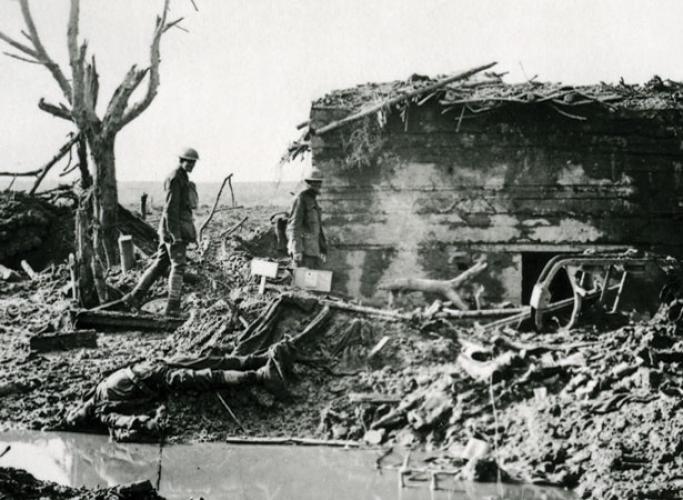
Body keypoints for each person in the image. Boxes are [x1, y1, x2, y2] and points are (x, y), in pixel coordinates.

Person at [64, 344, 291, 442]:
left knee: (209, 360)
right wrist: (144, 422)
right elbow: (127, 421)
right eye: (77, 420)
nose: (78, 415)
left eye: (73, 414)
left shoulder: (94, 390)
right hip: (160, 378)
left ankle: (262, 358)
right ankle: (260, 374)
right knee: (206, 376)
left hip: (155, 364)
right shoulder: (103, 412)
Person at [125, 147, 200, 316]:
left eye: (193, 162)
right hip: (173, 230)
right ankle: (173, 307)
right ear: (181, 160)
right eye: (189, 161)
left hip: (169, 230)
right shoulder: (176, 178)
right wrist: (176, 236)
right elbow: (170, 210)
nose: (192, 165)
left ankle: (134, 297)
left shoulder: (181, 177)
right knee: (178, 266)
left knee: (160, 263)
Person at [286, 168, 327, 269]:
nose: (318, 186)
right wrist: (297, 250)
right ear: (308, 183)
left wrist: (322, 248)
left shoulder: (312, 200)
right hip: (303, 253)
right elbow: (294, 227)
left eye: (319, 183)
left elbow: (318, 227)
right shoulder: (300, 199)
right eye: (314, 183)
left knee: (313, 282)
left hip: (313, 251)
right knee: (301, 283)